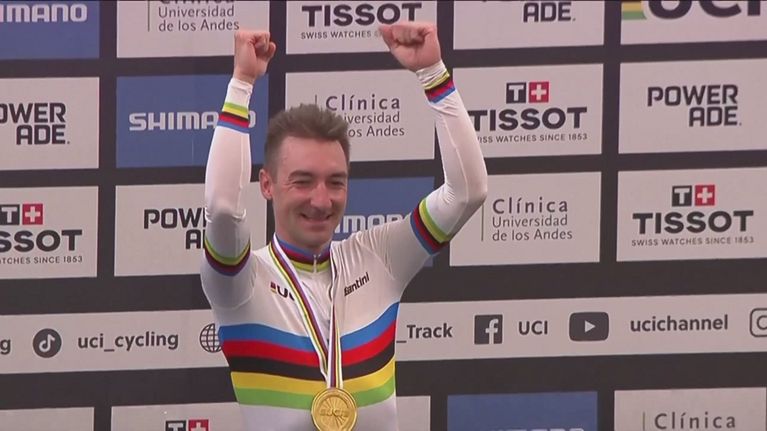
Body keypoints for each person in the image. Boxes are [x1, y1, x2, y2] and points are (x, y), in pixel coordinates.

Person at [201, 21, 487, 431]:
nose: (321, 200)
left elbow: (467, 192)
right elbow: (223, 207)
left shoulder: (378, 258)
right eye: (302, 181)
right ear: (266, 184)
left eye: (336, 182)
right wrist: (242, 84)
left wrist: (433, 73)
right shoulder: (241, 282)